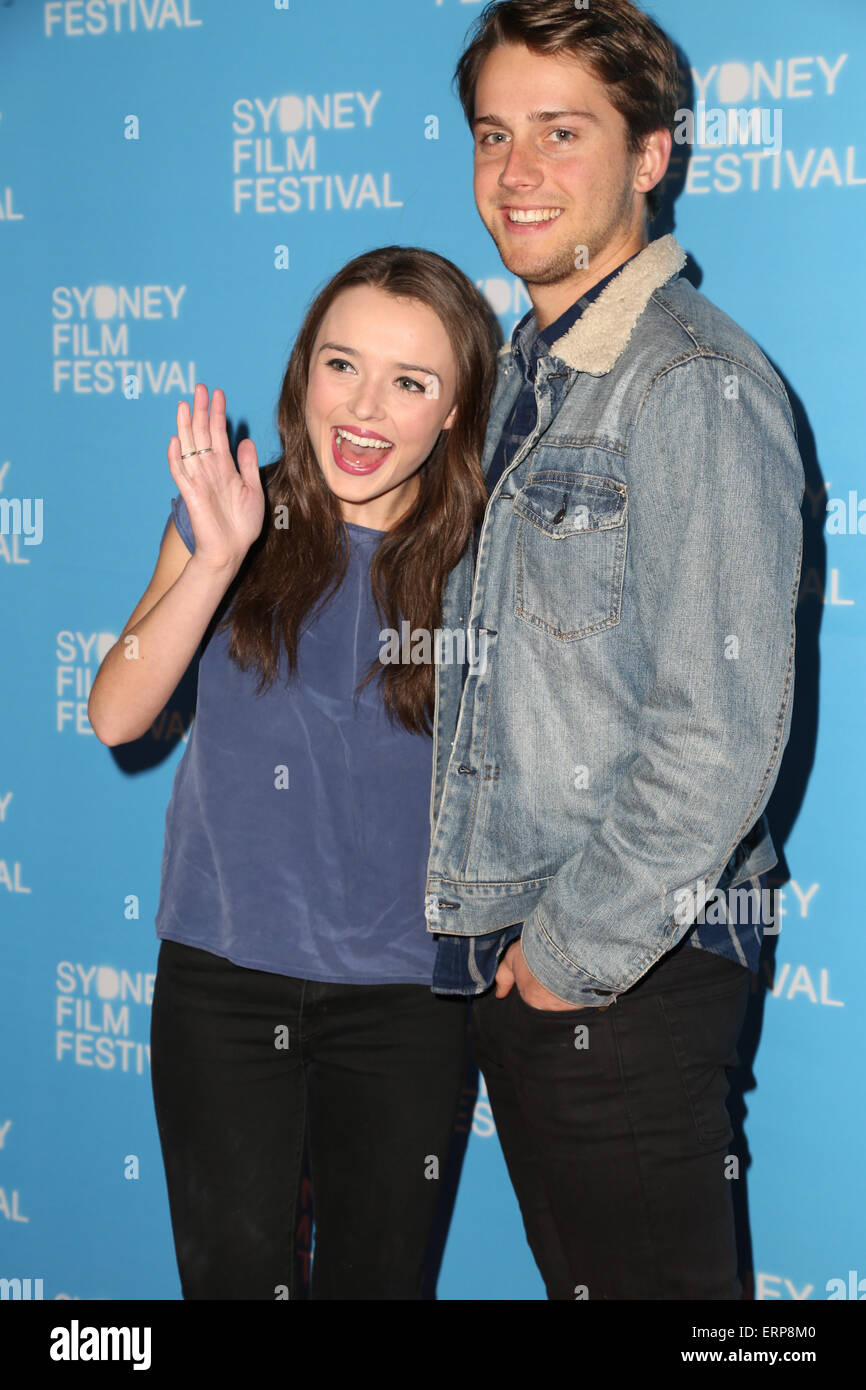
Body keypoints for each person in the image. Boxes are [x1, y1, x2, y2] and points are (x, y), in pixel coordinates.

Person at [425, 0, 805, 1299]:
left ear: (650, 154)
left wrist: (563, 962)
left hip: (622, 977)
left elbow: (717, 735)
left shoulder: (687, 382)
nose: (514, 173)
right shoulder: (519, 389)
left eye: (559, 131)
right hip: (538, 973)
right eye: (491, 134)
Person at [88, 245, 497, 1300]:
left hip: (405, 995)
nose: (362, 410)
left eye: (410, 383)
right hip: (223, 980)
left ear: (455, 409)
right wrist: (216, 559)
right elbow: (115, 712)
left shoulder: (490, 560)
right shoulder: (231, 510)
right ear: (301, 373)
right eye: (339, 365)